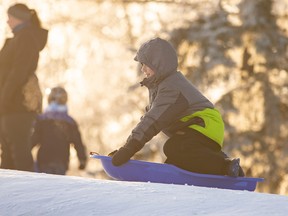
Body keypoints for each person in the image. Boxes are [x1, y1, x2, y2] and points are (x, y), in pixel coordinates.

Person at [109, 37, 244, 177]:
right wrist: (123, 149)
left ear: (157, 64)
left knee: (173, 147)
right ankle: (217, 162)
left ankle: (225, 166)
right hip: (195, 130)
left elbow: (152, 121)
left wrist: (129, 148)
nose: (142, 69)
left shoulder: (171, 87)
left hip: (204, 124)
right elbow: (148, 118)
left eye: (145, 64)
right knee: (176, 159)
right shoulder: (161, 87)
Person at [0, 3, 48, 171]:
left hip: (17, 106)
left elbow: (18, 72)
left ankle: (25, 195)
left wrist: (3, 99)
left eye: (10, 17)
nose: (7, 21)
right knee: (8, 156)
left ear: (20, 18)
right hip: (9, 106)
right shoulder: (17, 39)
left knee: (19, 156)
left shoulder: (26, 38)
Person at [31, 87, 87, 175]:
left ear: (49, 100)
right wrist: (82, 159)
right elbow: (77, 142)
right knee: (57, 186)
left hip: (44, 160)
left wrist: (24, 151)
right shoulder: (70, 121)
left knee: (42, 185)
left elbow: (34, 138)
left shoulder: (42, 119)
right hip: (62, 161)